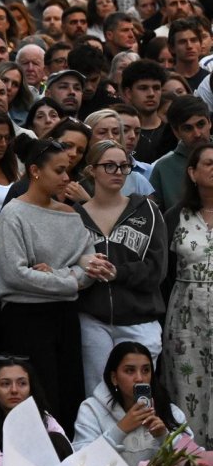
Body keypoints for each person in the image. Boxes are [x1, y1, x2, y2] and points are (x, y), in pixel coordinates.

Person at [0, 139, 113, 432]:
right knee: (36, 399)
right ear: (35, 171)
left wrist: (58, 276)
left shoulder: (71, 214)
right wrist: (69, 278)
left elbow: (89, 267)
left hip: (65, 317)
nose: (66, 178)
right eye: (59, 170)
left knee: (69, 392)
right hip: (26, 319)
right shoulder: (14, 214)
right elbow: (14, 274)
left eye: (68, 170)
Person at [74, 140, 167, 396]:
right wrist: (83, 265)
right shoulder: (75, 215)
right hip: (94, 319)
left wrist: (117, 272)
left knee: (139, 395)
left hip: (140, 319)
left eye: (124, 167)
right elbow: (66, 261)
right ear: (91, 170)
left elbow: (157, 270)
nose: (118, 172)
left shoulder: (147, 211)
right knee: (98, 395)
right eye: (109, 166)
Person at [162, 142, 213, 446]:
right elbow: (163, 273)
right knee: (187, 384)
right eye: (208, 163)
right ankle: (190, 459)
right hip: (185, 317)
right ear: (192, 172)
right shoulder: (175, 216)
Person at [74, 342, 185, 466]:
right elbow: (80, 464)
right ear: (114, 378)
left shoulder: (170, 411)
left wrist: (164, 437)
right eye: (130, 370)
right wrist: (120, 429)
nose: (139, 378)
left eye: (146, 370)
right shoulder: (91, 411)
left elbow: (193, 462)